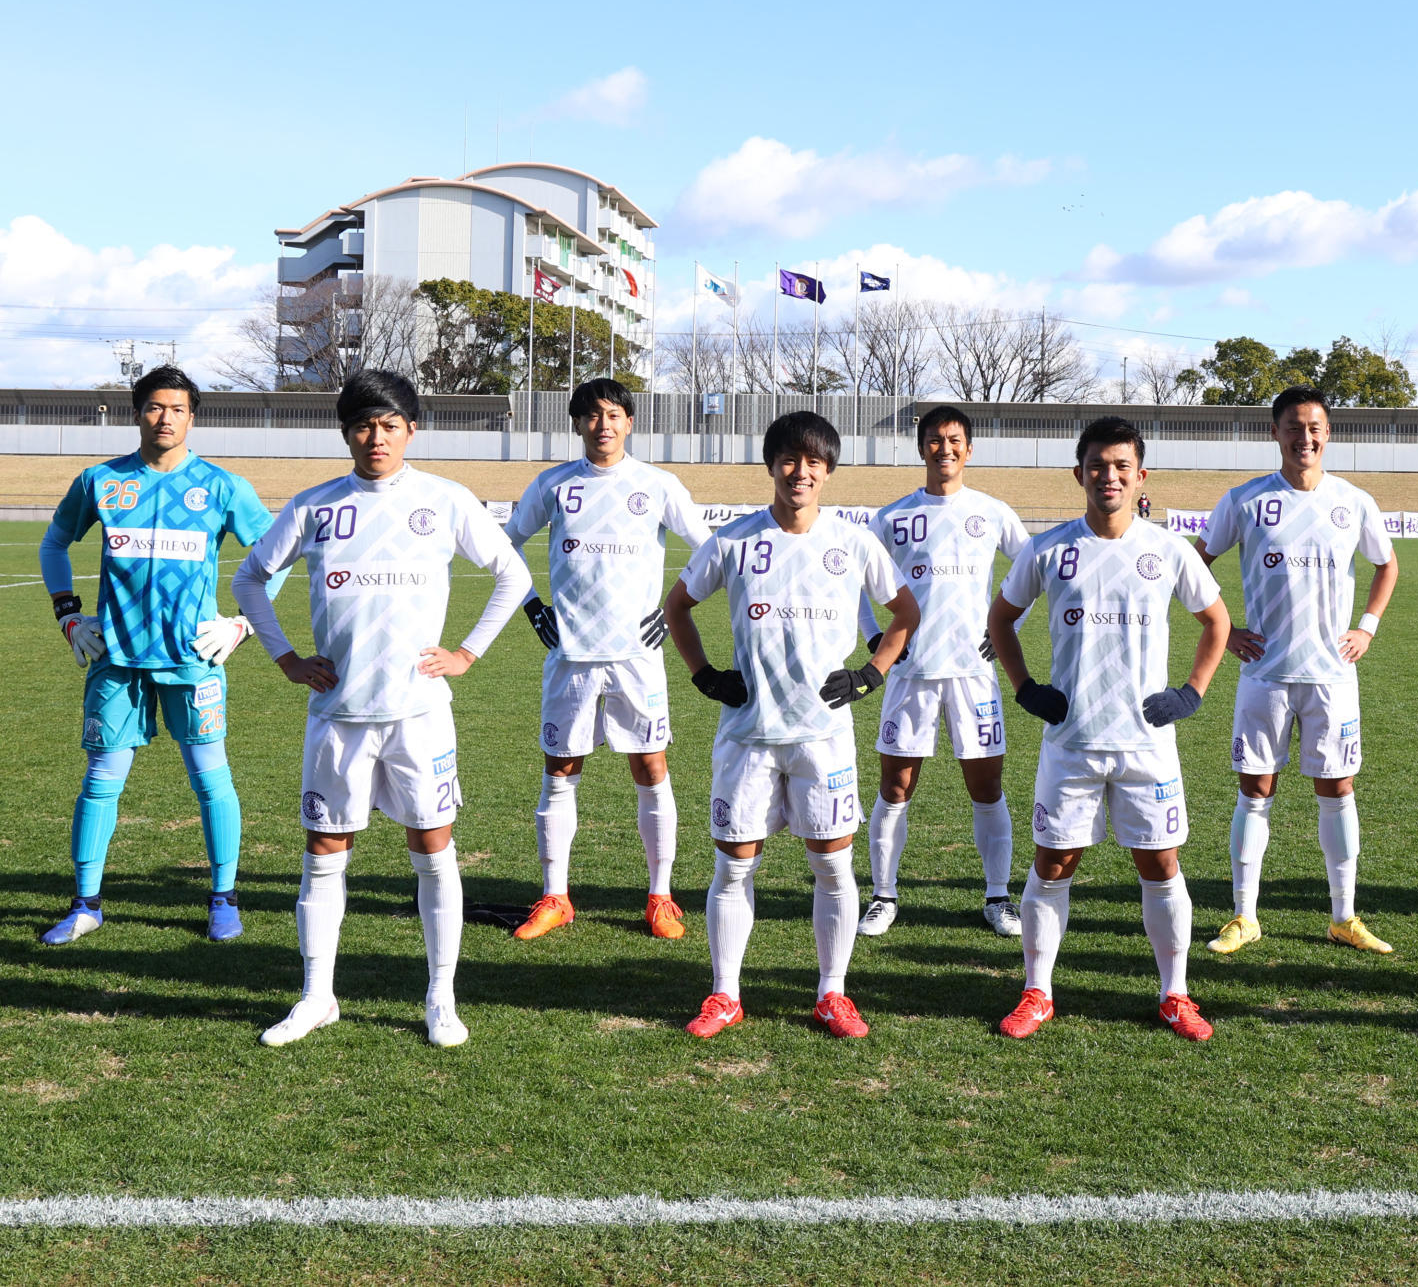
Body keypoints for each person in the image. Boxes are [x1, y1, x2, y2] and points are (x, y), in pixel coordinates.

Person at [235, 370, 533, 1048]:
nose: (377, 436)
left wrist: (468, 652)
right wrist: (284, 656)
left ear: (412, 430)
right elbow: (249, 577)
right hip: (338, 715)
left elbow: (512, 573)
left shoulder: (445, 499)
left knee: (433, 849)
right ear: (346, 432)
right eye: (365, 424)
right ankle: (317, 996)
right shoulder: (316, 506)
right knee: (323, 851)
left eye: (390, 424)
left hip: (417, 714)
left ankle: (440, 997)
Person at [662, 411, 918, 1041]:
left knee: (832, 869)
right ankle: (724, 994)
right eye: (789, 459)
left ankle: (833, 993)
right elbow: (677, 608)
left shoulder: (854, 542)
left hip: (821, 740)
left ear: (828, 471)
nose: (800, 472)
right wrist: (705, 675)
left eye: (813, 462)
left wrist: (871, 673)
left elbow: (906, 611)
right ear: (771, 464)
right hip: (747, 737)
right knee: (733, 869)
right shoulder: (734, 540)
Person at [988, 416, 1231, 1041]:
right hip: (1071, 741)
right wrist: (1025, 688)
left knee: (1160, 863)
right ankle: (1037, 991)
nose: (1109, 476)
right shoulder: (1048, 548)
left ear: (1140, 475)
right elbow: (1001, 620)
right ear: (1079, 473)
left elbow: (1217, 622)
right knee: (1053, 863)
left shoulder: (1169, 549)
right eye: (1098, 465)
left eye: (1122, 466)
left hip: (1148, 745)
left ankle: (1175, 993)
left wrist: (1191, 693)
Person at [37, 366, 279, 945]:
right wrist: (69, 616)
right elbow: (54, 544)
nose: (164, 417)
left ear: (192, 416)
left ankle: (224, 898)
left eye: (175, 408)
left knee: (211, 782)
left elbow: (279, 555)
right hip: (116, 662)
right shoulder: (100, 481)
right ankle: (86, 904)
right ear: (137, 412)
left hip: (192, 660)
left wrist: (243, 623)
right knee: (100, 782)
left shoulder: (222, 487)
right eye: (153, 407)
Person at [504, 378, 717, 943]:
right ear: (577, 423)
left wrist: (675, 608)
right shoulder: (553, 485)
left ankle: (661, 897)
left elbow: (712, 549)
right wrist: (532, 607)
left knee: (651, 769)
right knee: (560, 772)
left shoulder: (657, 484)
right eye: (593, 415)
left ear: (629, 422)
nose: (604, 425)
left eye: (615, 414)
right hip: (571, 656)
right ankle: (555, 897)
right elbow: (504, 546)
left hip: (637, 658)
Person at [1195, 386, 1400, 956]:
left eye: (1314, 427)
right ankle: (1243, 915)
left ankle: (1343, 916)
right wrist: (1225, 629)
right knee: (1255, 789)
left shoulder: (1354, 501)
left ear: (1327, 433)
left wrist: (1368, 627)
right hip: (1265, 673)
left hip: (1332, 676)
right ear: (1275, 433)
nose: (1304, 437)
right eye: (1293, 426)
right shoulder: (1244, 500)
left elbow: (1386, 566)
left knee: (1338, 790)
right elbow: (1195, 563)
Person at [853, 405, 1032, 938]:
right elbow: (860, 583)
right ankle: (884, 895)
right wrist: (873, 639)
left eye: (955, 440)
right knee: (895, 785)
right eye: (935, 440)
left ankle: (998, 896)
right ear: (921, 447)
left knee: (987, 786)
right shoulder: (890, 517)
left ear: (969, 449)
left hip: (973, 672)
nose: (945, 448)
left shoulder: (993, 512)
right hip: (910, 672)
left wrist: (1004, 628)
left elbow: (1033, 572)